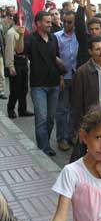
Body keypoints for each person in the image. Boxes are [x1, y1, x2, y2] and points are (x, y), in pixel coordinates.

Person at [16, 11, 63, 157]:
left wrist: (61, 76)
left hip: (54, 84)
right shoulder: (31, 38)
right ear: (38, 23)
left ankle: (46, 143)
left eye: (50, 22)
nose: (50, 24)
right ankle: (43, 149)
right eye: (47, 22)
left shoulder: (53, 38)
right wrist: (22, 35)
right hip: (38, 86)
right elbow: (19, 50)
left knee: (50, 119)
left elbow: (58, 58)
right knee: (41, 117)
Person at [54, 11, 78, 152]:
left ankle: (70, 135)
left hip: (76, 78)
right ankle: (61, 139)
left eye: (70, 22)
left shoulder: (79, 36)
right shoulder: (56, 37)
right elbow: (54, 58)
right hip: (63, 78)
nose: (66, 24)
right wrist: (60, 76)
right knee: (62, 110)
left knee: (73, 110)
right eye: (64, 21)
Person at [4, 14, 32, 119]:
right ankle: (10, 109)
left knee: (24, 88)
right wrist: (10, 66)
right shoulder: (11, 33)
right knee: (15, 88)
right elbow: (9, 50)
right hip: (16, 61)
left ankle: (22, 109)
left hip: (23, 60)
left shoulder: (25, 31)